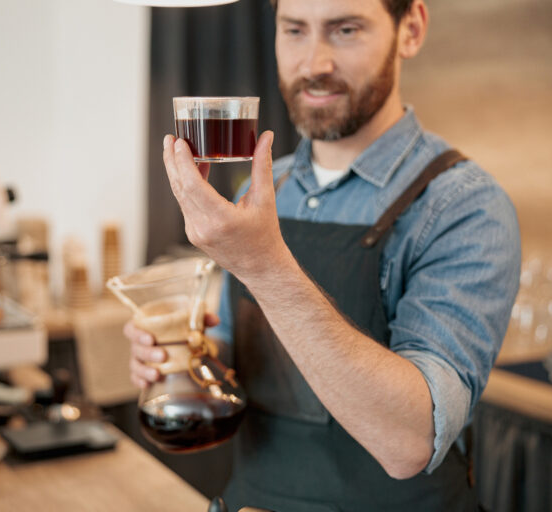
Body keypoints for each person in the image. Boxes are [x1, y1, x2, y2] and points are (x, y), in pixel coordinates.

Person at [125, 0, 521, 510]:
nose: (313, 63)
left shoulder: (463, 206)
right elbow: (239, 370)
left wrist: (263, 266)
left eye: (346, 29)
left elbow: (410, 443)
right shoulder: (271, 186)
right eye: (294, 30)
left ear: (411, 29)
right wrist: (187, 358)